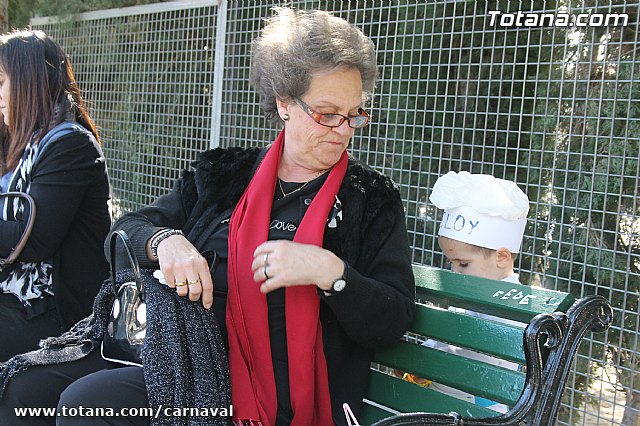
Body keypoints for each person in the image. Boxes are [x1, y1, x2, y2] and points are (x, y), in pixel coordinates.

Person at [0, 8, 415, 426]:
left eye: (355, 114)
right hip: (178, 354)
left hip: (250, 395)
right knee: (24, 389)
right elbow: (125, 231)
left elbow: (393, 319)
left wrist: (331, 271)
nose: (343, 129)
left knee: (89, 403)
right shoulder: (224, 174)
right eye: (327, 113)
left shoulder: (371, 200)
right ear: (285, 102)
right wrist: (166, 242)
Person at [0, 30, 110, 361]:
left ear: (26, 83)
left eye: (1, 82)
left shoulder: (70, 144)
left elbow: (30, 241)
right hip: (15, 295)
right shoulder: (18, 143)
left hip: (56, 310)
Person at [399, 170, 530, 413]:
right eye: (451, 262)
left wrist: (424, 362)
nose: (455, 272)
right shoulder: (476, 293)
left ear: (501, 257)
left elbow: (475, 363)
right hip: (446, 404)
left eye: (463, 264)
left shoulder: (511, 307)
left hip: (474, 412)